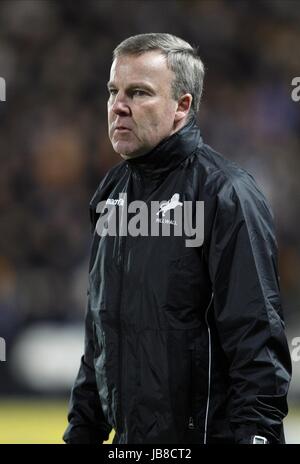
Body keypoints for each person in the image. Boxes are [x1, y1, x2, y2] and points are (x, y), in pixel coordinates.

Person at [63, 33, 292, 444]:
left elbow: (256, 345)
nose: (118, 106)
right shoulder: (111, 197)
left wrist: (258, 436)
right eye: (113, 91)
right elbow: (100, 338)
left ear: (182, 106)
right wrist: (82, 432)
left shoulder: (227, 195)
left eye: (138, 93)